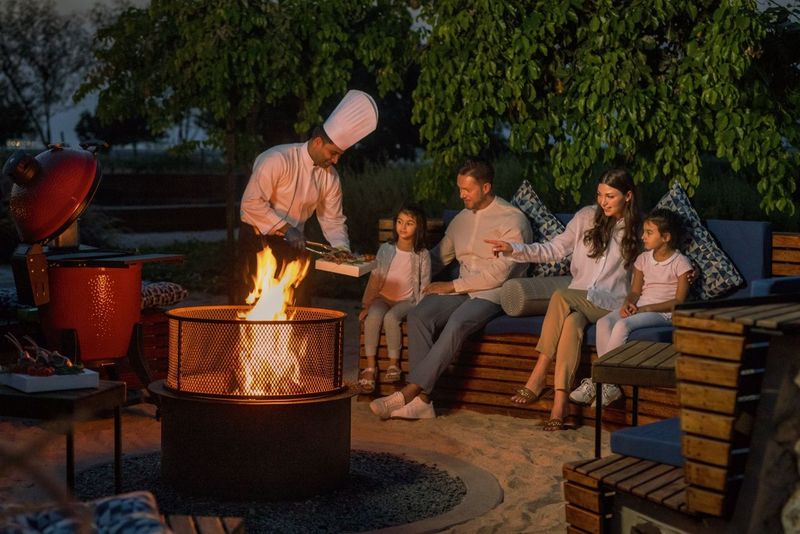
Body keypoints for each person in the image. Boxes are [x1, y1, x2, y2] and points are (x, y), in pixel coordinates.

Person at [369, 158, 533, 420]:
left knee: (457, 322)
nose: (461, 195)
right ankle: (424, 403)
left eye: (467, 189)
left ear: (486, 187)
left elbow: (499, 274)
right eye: (459, 188)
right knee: (419, 314)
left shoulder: (513, 220)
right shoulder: (461, 219)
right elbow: (438, 258)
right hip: (462, 288)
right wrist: (396, 273)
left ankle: (412, 393)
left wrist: (451, 285)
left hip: (495, 292)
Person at [485, 168, 641, 431]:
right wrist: (515, 249)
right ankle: (560, 402)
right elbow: (555, 249)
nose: (603, 202)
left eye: (610, 196)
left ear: (628, 196)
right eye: (600, 195)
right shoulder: (586, 217)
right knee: (571, 324)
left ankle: (538, 374)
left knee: (560, 296)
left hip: (611, 303)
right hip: (580, 297)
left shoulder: (639, 229)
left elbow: (649, 269)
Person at [237, 90, 379, 305]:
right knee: (255, 306)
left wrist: (341, 250)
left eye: (339, 155)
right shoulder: (277, 159)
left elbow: (332, 219)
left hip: (296, 244)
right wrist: (287, 229)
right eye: (333, 153)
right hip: (258, 241)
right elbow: (251, 204)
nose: (336, 160)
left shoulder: (331, 177)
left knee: (299, 306)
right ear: (318, 142)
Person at [569, 207, 693, 407]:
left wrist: (644, 309)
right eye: (644, 231)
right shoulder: (643, 259)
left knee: (622, 326)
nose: (643, 237)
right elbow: (635, 291)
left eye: (649, 233)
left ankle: (602, 380)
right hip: (640, 306)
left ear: (666, 237)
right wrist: (628, 303)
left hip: (663, 313)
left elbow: (678, 302)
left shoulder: (680, 263)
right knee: (603, 322)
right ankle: (606, 384)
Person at [358, 204, 432, 393]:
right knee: (373, 317)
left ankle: (393, 364)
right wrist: (367, 305)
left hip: (407, 300)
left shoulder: (422, 255)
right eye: (400, 222)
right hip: (383, 297)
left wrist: (421, 307)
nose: (403, 227)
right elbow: (375, 278)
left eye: (409, 223)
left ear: (419, 227)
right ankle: (370, 367)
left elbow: (425, 284)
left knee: (391, 318)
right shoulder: (386, 249)